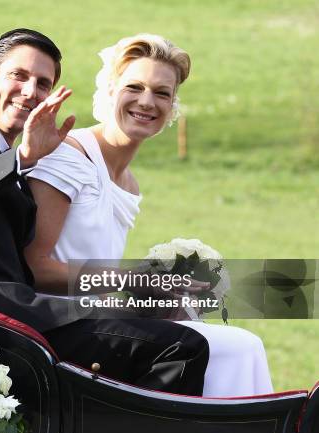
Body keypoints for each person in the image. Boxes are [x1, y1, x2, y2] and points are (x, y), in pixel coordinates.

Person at [0, 28, 210, 396]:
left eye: (43, 83)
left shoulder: (8, 153)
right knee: (183, 348)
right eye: (19, 75)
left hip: (14, 308)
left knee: (179, 336)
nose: (31, 91)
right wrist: (22, 158)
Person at [25, 33, 273, 397]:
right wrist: (131, 280)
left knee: (245, 344)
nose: (146, 101)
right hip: (54, 329)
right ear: (110, 91)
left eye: (162, 93)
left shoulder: (129, 184)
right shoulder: (69, 157)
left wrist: (153, 300)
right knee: (236, 348)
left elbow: (95, 282)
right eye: (134, 87)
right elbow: (36, 269)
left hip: (98, 322)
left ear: (173, 105)